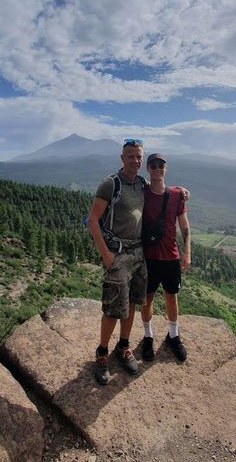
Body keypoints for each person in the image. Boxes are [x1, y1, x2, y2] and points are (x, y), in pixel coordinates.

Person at [87, 138, 148, 385]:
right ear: (122, 158)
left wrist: (180, 192)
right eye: (130, 156)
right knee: (113, 307)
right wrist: (107, 256)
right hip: (118, 253)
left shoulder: (142, 184)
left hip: (138, 253)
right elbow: (92, 220)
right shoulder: (111, 184)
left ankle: (123, 346)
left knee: (132, 302)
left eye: (138, 156)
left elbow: (160, 191)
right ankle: (102, 353)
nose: (135, 160)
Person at [140, 153, 191, 362]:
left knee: (172, 296)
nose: (157, 168)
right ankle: (148, 336)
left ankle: (173, 335)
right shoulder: (141, 192)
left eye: (161, 165)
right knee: (147, 298)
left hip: (171, 256)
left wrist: (187, 252)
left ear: (166, 169)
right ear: (148, 169)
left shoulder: (177, 195)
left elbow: (185, 226)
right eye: (153, 165)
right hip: (149, 257)